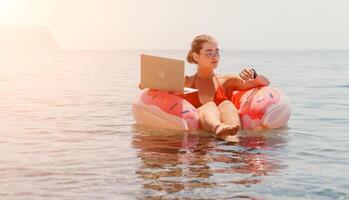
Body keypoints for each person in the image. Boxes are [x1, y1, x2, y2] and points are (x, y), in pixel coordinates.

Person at [139, 34, 270, 141]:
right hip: (199, 140)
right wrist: (148, 82)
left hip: (224, 141)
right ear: (196, 57)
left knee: (226, 104)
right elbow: (147, 88)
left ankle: (233, 138)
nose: (215, 57)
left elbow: (264, 83)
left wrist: (253, 73)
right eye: (209, 53)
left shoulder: (225, 81)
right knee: (209, 106)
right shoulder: (185, 81)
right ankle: (218, 127)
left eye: (217, 52)